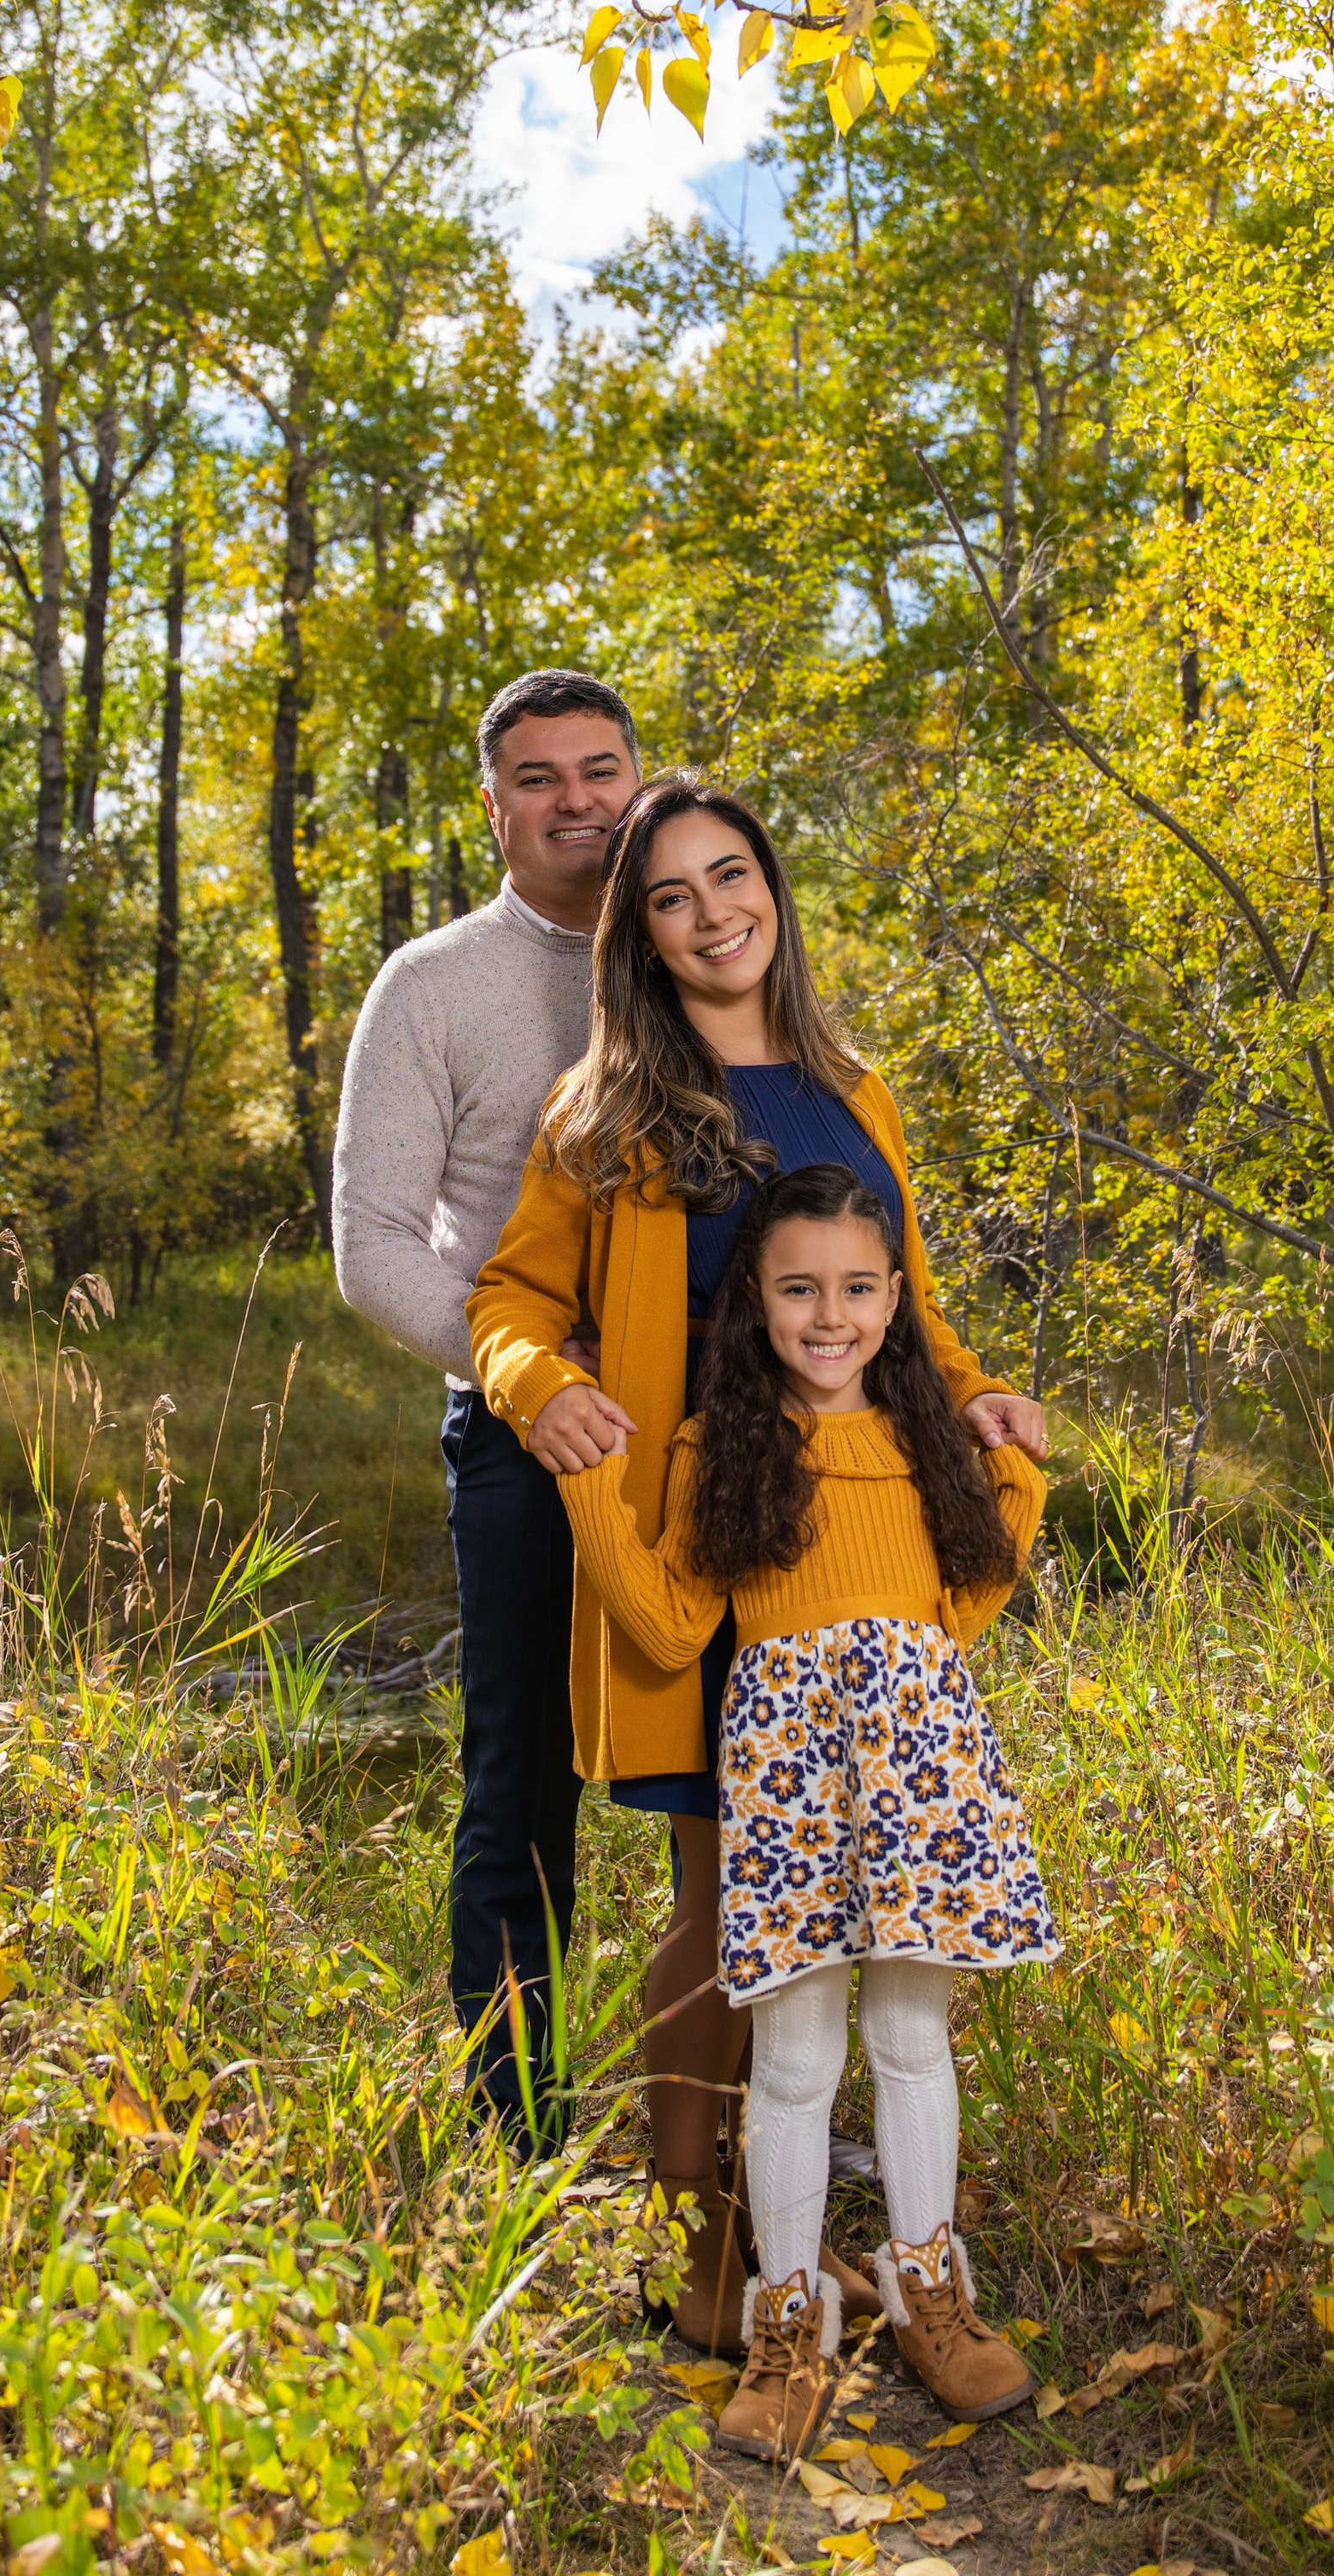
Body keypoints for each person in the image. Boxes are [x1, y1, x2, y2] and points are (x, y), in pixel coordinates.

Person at [469, 774, 1047, 2343]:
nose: (713, 913)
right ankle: (701, 2230)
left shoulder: (854, 1089)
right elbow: (510, 1301)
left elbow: (905, 1307)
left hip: (851, 1529)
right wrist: (541, 1387)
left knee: (851, 1898)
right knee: (722, 1887)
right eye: (672, 895)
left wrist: (975, 1394)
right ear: (641, 936)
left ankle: (815, 2228)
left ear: (772, 890)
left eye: (733, 877)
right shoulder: (606, 1110)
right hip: (701, 1519)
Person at [553, 1161, 1059, 2461]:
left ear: (893, 1301)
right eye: (797, 1289)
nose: (829, 1317)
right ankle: (786, 2326)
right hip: (786, 1773)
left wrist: (1018, 1476)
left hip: (921, 1763)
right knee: (791, 2055)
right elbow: (672, 1628)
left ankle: (929, 2294)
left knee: (910, 2037)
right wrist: (590, 1494)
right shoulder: (721, 1450)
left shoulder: (925, 1441)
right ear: (756, 1302)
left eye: (856, 1289)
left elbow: (960, 1608)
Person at [332, 666, 643, 2147]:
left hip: (722, 1428)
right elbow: (373, 1247)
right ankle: (524, 2136)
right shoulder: (433, 984)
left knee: (754, 1771)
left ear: (638, 778)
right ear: (494, 803)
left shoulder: (705, 941)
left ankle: (735, 2123)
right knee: (521, 1788)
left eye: (600, 769)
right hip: (526, 1441)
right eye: (540, 777)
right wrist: (530, 1377)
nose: (577, 800)